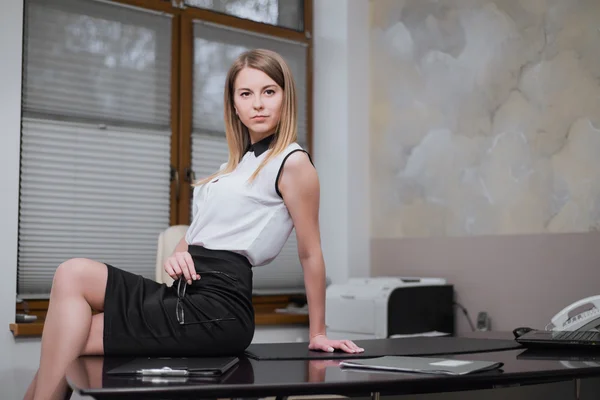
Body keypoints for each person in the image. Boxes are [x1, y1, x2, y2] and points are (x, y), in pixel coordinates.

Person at [25, 48, 363, 400]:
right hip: (185, 293)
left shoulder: (292, 163)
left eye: (269, 91)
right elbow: (197, 234)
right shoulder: (234, 166)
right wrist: (177, 254)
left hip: (220, 308)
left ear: (285, 97)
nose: (258, 104)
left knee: (69, 334)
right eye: (246, 94)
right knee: (70, 284)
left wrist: (318, 333)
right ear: (234, 105)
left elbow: (310, 253)